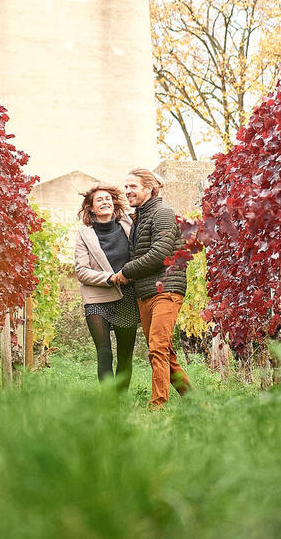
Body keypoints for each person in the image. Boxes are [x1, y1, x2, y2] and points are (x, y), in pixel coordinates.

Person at [110, 167, 192, 407]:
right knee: (164, 350)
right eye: (126, 187)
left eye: (132, 186)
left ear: (148, 188)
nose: (127, 191)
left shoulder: (163, 213)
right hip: (145, 292)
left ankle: (158, 405)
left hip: (166, 288)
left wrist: (126, 272)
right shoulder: (140, 216)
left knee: (157, 348)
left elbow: (160, 253)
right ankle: (196, 402)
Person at [73, 184, 139, 387]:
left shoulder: (128, 225)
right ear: (91, 208)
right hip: (96, 297)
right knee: (104, 351)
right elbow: (81, 271)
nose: (105, 202)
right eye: (99, 199)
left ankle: (121, 401)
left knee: (125, 354)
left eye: (108, 198)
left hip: (126, 296)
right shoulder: (84, 234)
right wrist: (110, 278)